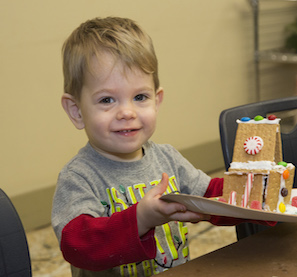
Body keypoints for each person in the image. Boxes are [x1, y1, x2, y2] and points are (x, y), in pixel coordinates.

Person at [52, 17, 275, 277]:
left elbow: (209, 197)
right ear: (76, 111)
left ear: (156, 100)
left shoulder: (167, 158)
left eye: (139, 97)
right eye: (106, 99)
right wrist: (140, 220)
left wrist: (256, 192)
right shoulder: (78, 177)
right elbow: (77, 246)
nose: (127, 112)